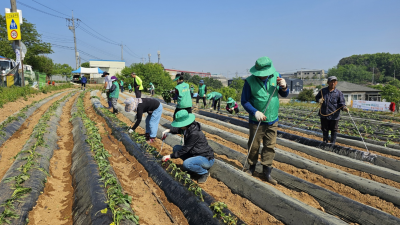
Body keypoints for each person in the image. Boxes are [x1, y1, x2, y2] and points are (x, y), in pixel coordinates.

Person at [241, 56, 289, 185]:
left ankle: (266, 172)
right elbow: (244, 101)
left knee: (270, 146)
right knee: (254, 145)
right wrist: (254, 111)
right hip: (256, 121)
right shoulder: (249, 82)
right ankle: (251, 167)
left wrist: (284, 87)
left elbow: (284, 94)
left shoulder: (276, 77)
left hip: (272, 119)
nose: (263, 76)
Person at [161, 110, 214, 184]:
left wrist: (169, 156)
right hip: (194, 154)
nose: (179, 125)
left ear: (185, 124)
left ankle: (204, 173)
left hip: (205, 158)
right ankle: (192, 169)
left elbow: (185, 150)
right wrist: (168, 130)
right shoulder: (188, 127)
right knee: (176, 148)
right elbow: (178, 130)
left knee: (187, 164)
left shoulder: (194, 133)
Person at [315, 76, 348, 145]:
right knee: (325, 129)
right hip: (324, 114)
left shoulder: (339, 93)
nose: (332, 83)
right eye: (331, 82)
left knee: (334, 130)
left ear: (336, 83)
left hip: (334, 116)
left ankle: (332, 144)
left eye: (334, 82)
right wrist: (319, 100)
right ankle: (325, 142)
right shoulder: (322, 91)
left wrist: (344, 108)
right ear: (328, 82)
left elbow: (342, 103)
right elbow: (317, 97)